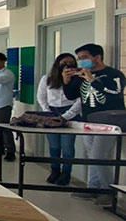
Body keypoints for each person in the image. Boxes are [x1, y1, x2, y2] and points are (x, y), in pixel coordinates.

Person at [64, 43, 126, 203]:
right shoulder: (82, 75)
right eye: (79, 59)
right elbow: (71, 96)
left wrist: (92, 80)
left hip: (110, 121)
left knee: (99, 155)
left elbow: (114, 94)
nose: (81, 62)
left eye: (84, 58)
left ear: (97, 57)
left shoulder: (114, 74)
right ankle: (93, 187)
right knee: (91, 155)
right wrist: (67, 81)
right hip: (89, 121)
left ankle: (108, 191)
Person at [37, 54, 82, 186]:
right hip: (51, 113)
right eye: (64, 63)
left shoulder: (79, 79)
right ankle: (54, 171)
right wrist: (48, 113)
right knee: (54, 146)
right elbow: (41, 97)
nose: (67, 65)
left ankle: (66, 173)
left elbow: (80, 101)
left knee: (67, 147)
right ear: (57, 64)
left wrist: (65, 116)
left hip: (71, 113)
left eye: (71, 62)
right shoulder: (47, 79)